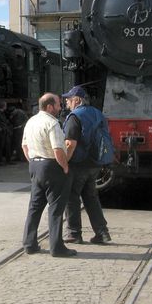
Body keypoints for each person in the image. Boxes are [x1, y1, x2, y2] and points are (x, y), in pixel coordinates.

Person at [21, 93, 76, 258]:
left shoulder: (31, 121)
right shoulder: (52, 123)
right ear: (50, 106)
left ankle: (29, 244)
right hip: (52, 166)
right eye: (59, 104)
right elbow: (58, 149)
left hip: (35, 165)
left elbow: (24, 146)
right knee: (56, 208)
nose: (61, 108)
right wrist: (65, 167)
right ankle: (56, 247)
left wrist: (33, 161)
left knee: (34, 207)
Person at [62, 85, 112, 244]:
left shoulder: (74, 117)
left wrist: (64, 162)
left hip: (78, 164)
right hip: (95, 164)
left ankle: (74, 234)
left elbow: (70, 143)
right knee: (91, 197)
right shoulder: (98, 113)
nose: (67, 102)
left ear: (77, 100)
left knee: (71, 197)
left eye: (69, 99)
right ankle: (102, 232)